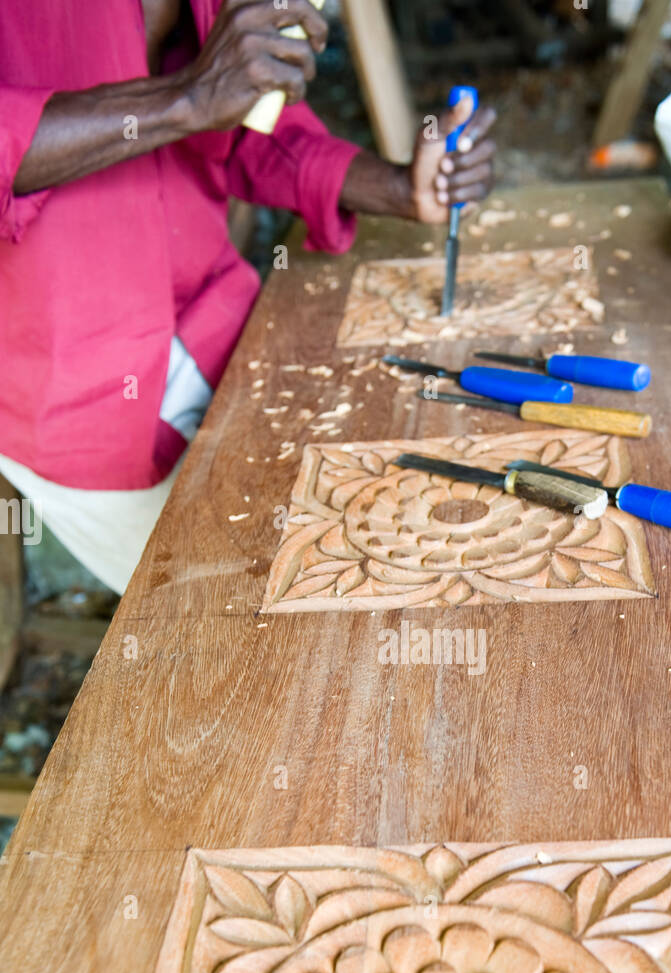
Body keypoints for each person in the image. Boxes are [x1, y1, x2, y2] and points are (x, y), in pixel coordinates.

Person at [0, 0, 496, 592]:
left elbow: (242, 121)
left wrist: (391, 185)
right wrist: (184, 99)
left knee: (377, 541)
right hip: (75, 393)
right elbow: (202, 100)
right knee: (234, 609)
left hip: (226, 325)